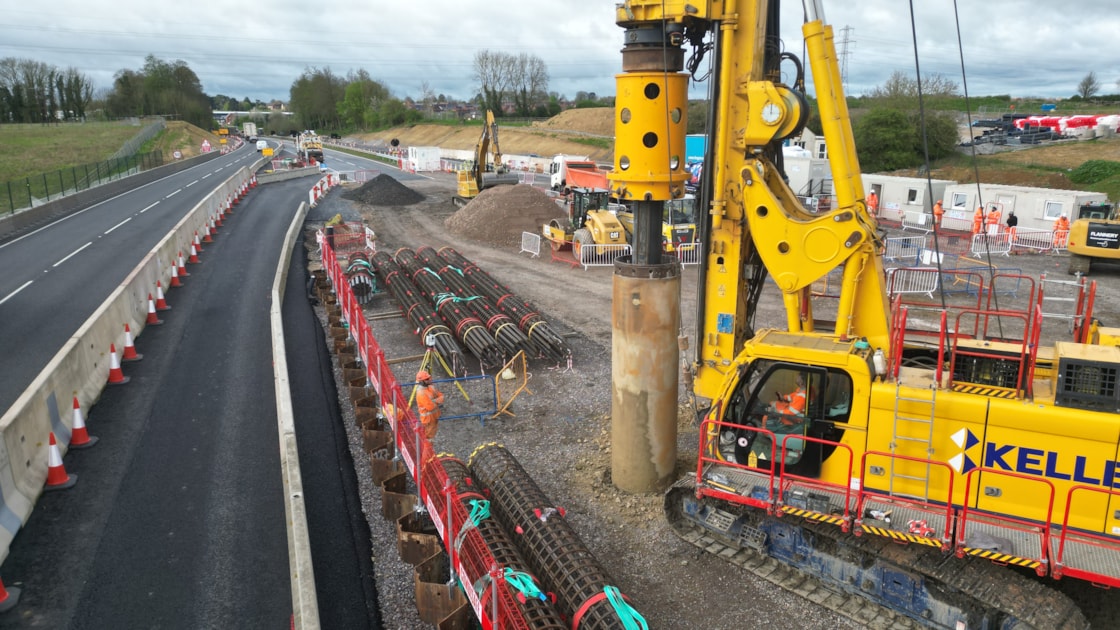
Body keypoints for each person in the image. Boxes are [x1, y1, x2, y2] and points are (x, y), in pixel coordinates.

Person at [415, 370, 445, 440]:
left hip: (434, 417)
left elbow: (441, 396)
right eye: (427, 379)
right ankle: (427, 450)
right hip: (428, 420)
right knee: (428, 439)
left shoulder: (431, 387)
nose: (430, 380)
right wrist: (438, 400)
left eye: (429, 378)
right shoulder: (421, 393)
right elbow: (430, 407)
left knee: (431, 437)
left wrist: (434, 401)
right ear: (421, 381)